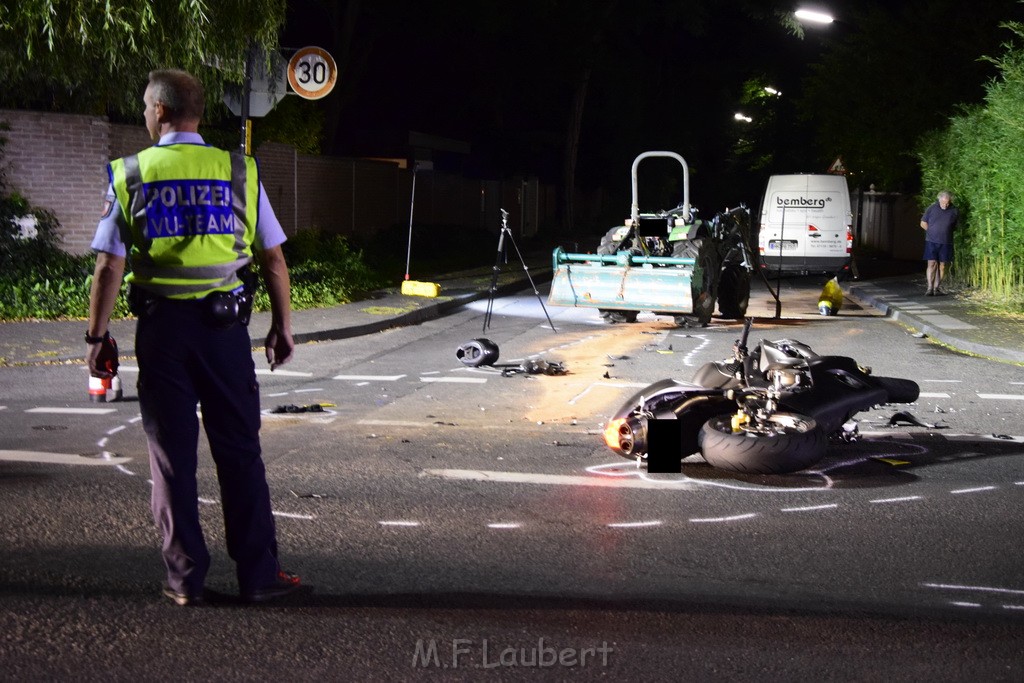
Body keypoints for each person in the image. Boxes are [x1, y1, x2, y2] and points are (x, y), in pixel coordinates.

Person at [86, 69, 301, 606]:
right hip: (224, 333)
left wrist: (97, 335)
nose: (143, 113)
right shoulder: (237, 170)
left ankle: (185, 580)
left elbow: (110, 267)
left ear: (160, 110)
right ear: (198, 112)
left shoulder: (132, 172)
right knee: (240, 453)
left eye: (143, 105)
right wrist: (282, 324)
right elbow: (272, 256)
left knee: (172, 460)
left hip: (162, 334)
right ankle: (258, 576)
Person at [920, 190, 959, 296]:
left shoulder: (954, 210)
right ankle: (929, 288)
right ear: (939, 200)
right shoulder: (932, 208)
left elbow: (955, 226)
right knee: (932, 263)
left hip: (946, 242)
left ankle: (936, 287)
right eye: (943, 203)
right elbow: (923, 223)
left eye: (947, 203)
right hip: (931, 241)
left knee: (942, 265)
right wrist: (931, 232)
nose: (945, 205)